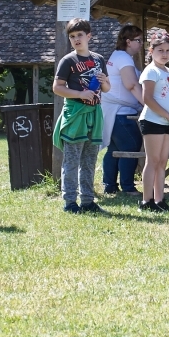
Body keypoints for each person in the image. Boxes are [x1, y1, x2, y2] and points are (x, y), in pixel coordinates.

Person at [52, 18, 110, 213]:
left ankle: (87, 201)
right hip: (75, 114)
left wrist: (103, 81)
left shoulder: (98, 59)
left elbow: (108, 88)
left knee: (89, 160)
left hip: (94, 114)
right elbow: (57, 88)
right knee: (72, 160)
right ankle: (70, 202)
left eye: (80, 35)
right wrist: (80, 94)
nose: (76, 39)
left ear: (89, 36)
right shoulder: (68, 61)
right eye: (72, 36)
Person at [138, 30, 169, 212]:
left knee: (163, 161)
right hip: (152, 120)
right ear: (151, 50)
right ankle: (146, 201)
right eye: (160, 50)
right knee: (153, 160)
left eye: (167, 50)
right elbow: (147, 98)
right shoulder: (150, 71)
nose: (164, 54)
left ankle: (159, 200)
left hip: (168, 122)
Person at [101, 24, 144, 196]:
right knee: (130, 146)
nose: (141, 44)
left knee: (114, 150)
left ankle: (110, 185)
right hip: (121, 112)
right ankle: (127, 186)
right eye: (138, 40)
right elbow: (131, 85)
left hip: (113, 110)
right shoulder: (124, 58)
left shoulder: (117, 56)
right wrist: (148, 106)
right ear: (128, 41)